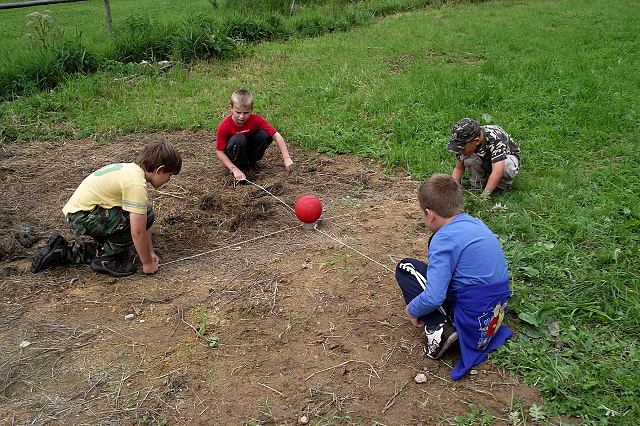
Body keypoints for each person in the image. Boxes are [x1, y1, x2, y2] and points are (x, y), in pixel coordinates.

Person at [395, 173, 512, 380]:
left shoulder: (444, 239)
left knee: (407, 267)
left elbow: (434, 297)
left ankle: (440, 328)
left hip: (471, 320)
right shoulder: (477, 225)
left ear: (430, 214)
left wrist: (411, 310)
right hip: (494, 313)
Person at [31, 140, 182, 278]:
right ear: (159, 169)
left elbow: (142, 223)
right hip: (84, 216)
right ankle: (105, 259)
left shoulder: (130, 171)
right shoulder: (136, 183)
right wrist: (147, 263)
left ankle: (63, 251)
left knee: (122, 245)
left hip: (82, 214)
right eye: (169, 175)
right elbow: (138, 231)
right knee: (144, 217)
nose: (168, 180)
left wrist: (150, 252)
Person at [215, 89, 294, 181]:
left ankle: (251, 163)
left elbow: (276, 135)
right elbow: (220, 152)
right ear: (231, 108)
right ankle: (239, 165)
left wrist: (287, 158)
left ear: (252, 109)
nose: (242, 116)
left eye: (246, 112)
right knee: (239, 138)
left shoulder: (256, 120)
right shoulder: (225, 126)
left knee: (264, 134)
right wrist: (234, 169)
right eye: (238, 112)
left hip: (248, 149)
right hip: (234, 153)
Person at [447, 118, 521, 196]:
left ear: (476, 141)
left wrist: (484, 196)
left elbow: (497, 172)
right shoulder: (465, 143)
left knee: (506, 165)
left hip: (505, 160)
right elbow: (459, 168)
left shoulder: (495, 139)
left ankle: (501, 187)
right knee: (468, 159)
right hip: (486, 159)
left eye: (462, 149)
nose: (459, 152)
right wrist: (451, 189)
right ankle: (478, 185)